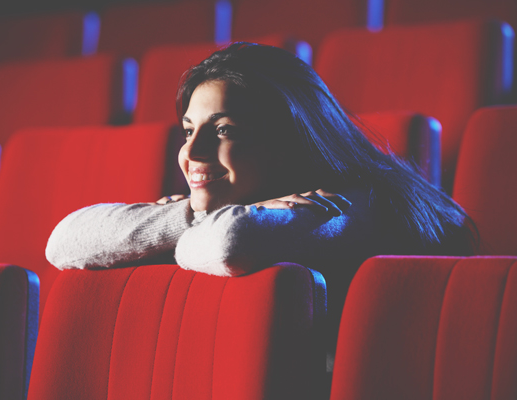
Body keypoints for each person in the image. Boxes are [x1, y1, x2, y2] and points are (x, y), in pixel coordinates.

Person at [45, 42, 476, 370]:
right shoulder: (248, 205)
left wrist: (193, 222)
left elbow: (228, 243)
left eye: (224, 130)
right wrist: (187, 214)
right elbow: (64, 240)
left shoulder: (350, 206)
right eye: (189, 130)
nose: (192, 152)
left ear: (288, 144)